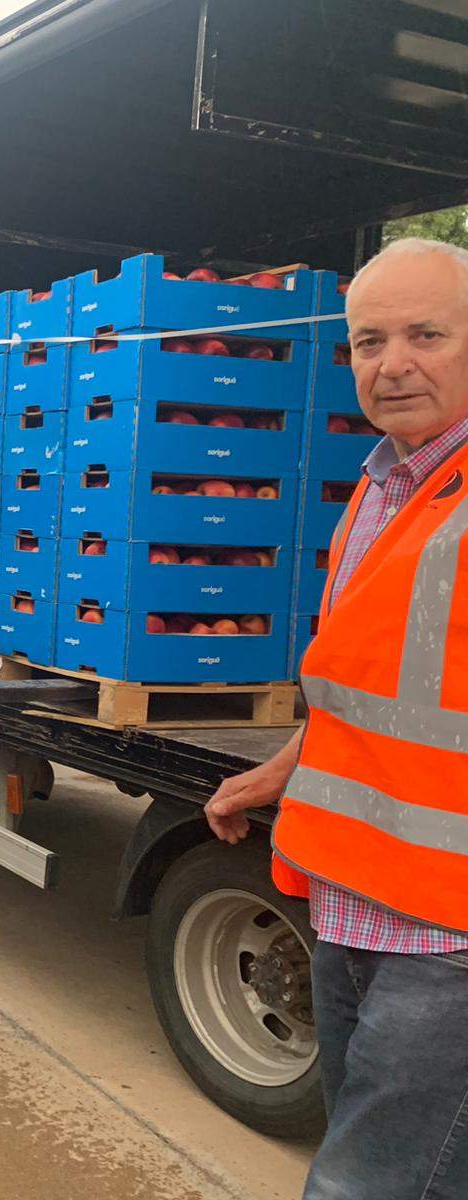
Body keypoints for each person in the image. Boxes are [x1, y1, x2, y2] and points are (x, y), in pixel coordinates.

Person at [203, 238, 468, 1199]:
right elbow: (382, 685)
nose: (392, 363)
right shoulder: (387, 481)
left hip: (448, 936)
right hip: (353, 904)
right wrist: (285, 765)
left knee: (362, 1186)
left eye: (426, 334)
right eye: (369, 341)